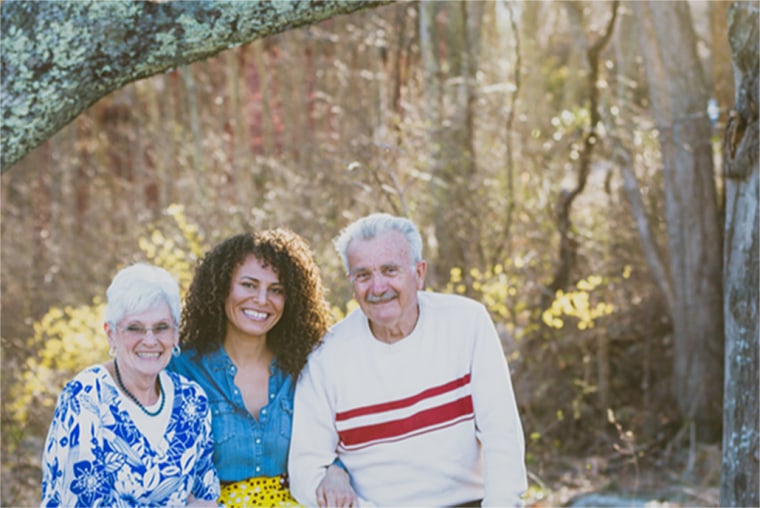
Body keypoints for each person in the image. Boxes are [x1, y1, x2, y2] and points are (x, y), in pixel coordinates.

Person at [289, 213, 528, 507]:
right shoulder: (326, 357)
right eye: (363, 275)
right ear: (352, 282)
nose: (377, 288)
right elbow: (305, 471)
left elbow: (502, 436)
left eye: (390, 270)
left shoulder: (467, 322)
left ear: (419, 273)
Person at [169, 229, 356, 507]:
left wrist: (338, 471)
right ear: (221, 288)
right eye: (249, 284)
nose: (261, 299)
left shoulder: (306, 368)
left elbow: (339, 441)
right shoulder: (182, 369)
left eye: (276, 290)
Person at [40, 263, 219, 507]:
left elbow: (203, 496)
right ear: (111, 334)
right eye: (134, 328)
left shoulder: (191, 399)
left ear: (176, 334)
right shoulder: (85, 397)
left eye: (161, 328)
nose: (149, 340)